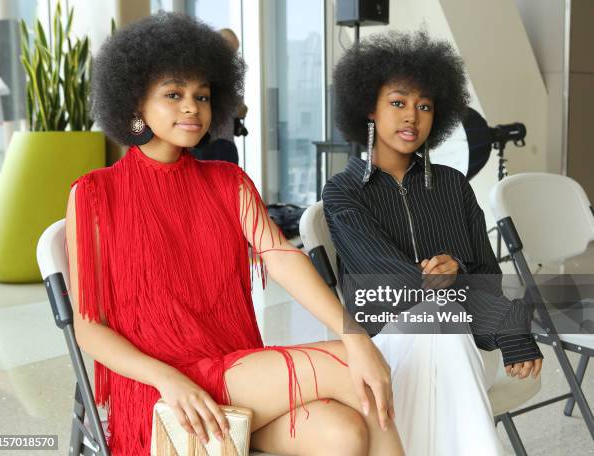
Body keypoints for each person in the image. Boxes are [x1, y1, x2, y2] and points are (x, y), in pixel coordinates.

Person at [66, 13, 403, 455]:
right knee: (351, 365)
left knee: (345, 431)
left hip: (237, 374)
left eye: (202, 96)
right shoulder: (94, 194)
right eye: (173, 94)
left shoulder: (228, 181)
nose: (192, 107)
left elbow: (280, 256)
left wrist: (354, 331)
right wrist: (168, 379)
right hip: (162, 391)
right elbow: (88, 330)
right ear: (134, 104)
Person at [323, 30, 544, 455]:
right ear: (369, 108)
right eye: (398, 103)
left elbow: (487, 278)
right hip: (382, 344)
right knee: (436, 318)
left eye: (424, 106)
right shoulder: (343, 192)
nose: (412, 117)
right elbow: (386, 281)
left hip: (461, 338)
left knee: (441, 321)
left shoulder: (454, 187)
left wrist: (464, 278)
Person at [192, 27, 248, 165]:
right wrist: (239, 108)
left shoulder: (197, 68)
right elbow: (235, 108)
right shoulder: (215, 73)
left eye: (234, 51)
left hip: (202, 142)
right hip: (216, 144)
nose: (232, 55)